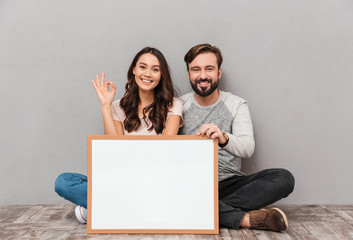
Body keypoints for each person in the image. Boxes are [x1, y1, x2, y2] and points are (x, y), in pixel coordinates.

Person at [54, 47, 182, 223]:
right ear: (134, 70)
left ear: (161, 75)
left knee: (160, 191)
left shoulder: (173, 105)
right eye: (143, 67)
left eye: (155, 69)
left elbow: (166, 148)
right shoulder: (117, 107)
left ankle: (103, 208)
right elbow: (113, 149)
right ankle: (123, 208)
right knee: (64, 182)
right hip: (121, 180)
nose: (148, 74)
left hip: (154, 181)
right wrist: (105, 106)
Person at [179, 43, 295, 232]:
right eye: (196, 69)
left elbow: (247, 148)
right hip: (193, 184)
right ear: (188, 74)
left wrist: (223, 137)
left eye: (209, 69)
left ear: (219, 72)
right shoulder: (179, 105)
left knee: (284, 178)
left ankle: (206, 209)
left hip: (230, 183)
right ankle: (244, 219)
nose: (202, 75)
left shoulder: (236, 104)